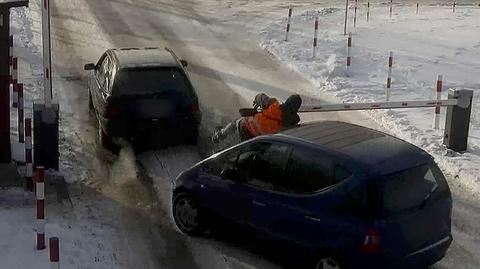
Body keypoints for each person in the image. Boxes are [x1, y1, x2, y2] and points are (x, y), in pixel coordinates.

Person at [212, 93, 302, 143]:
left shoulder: (273, 104)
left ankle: (219, 135)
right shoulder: (292, 123)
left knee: (236, 122)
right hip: (259, 140)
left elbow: (260, 96)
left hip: (247, 126)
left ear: (287, 101)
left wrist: (256, 101)